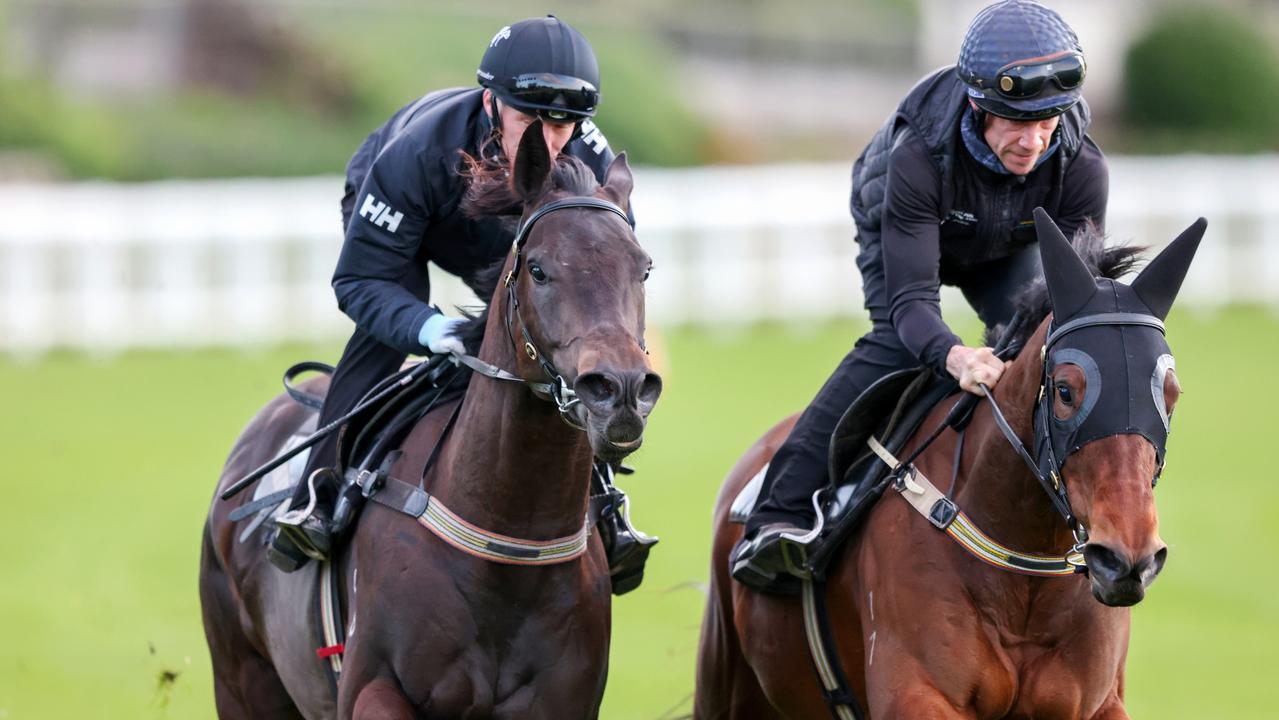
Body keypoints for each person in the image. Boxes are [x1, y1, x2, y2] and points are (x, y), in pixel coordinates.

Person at [732, 0, 1109, 592]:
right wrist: (955, 356)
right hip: (904, 221)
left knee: (1042, 346)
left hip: (1005, 243)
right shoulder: (917, 155)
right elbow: (912, 306)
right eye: (1017, 121)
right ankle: (777, 513)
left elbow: (1075, 305)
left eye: (1048, 122)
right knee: (902, 347)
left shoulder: (1080, 163)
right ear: (980, 104)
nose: (1034, 141)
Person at [270, 15, 636, 573]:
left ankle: (607, 507)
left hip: (516, 242)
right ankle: (319, 498)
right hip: (415, 219)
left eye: (564, 125)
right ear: (491, 102)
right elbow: (360, 281)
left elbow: (606, 283)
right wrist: (428, 328)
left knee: (570, 351)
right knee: (386, 335)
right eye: (530, 118)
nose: (549, 140)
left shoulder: (588, 159)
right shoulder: (417, 154)